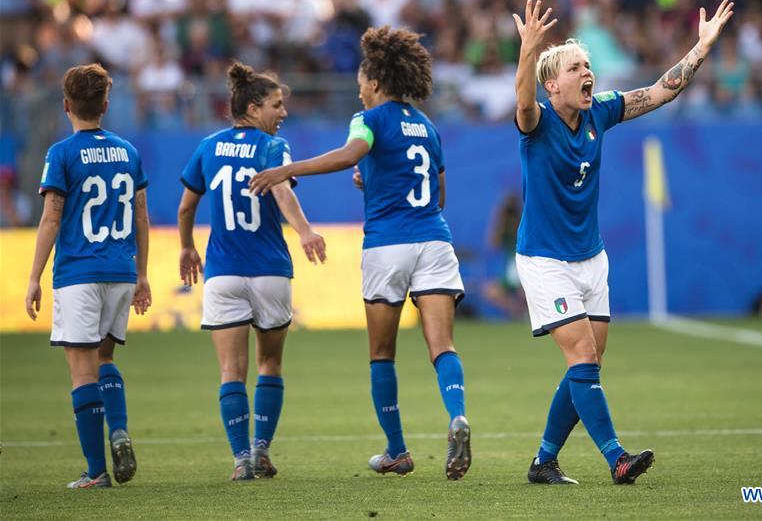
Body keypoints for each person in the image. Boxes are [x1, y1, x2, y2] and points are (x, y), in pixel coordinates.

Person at [512, 0, 734, 485]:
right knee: (583, 359)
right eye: (575, 68)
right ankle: (616, 458)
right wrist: (527, 50)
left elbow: (659, 93)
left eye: (587, 66)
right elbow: (523, 103)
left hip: (591, 258)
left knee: (587, 365)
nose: (587, 73)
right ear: (554, 86)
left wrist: (700, 47)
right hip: (545, 261)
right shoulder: (537, 124)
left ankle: (543, 461)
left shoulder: (601, 111)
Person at [249, 26, 471, 480]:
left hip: (388, 244)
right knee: (442, 346)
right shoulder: (427, 127)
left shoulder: (367, 119)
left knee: (382, 353)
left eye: (361, 85)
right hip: (434, 239)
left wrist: (286, 170)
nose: (360, 93)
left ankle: (397, 450)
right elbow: (438, 195)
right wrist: (376, 182)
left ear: (375, 81)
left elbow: (352, 154)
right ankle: (458, 415)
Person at [177, 62, 326, 481]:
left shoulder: (208, 146)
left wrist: (187, 247)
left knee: (231, 371)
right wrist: (305, 231)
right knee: (270, 364)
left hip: (223, 272)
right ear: (253, 107)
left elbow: (186, 207)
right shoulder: (273, 147)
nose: (283, 112)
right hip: (269, 271)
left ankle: (241, 458)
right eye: (276, 105)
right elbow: (282, 192)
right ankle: (261, 450)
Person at [25, 63, 151, 489]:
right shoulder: (128, 152)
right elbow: (141, 217)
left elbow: (51, 218)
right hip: (121, 270)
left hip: (79, 272)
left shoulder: (61, 154)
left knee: (82, 373)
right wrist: (142, 274)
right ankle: (119, 428)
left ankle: (96, 471)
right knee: (105, 360)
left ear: (66, 105)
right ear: (106, 105)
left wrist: (34, 276)